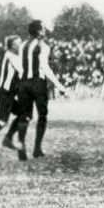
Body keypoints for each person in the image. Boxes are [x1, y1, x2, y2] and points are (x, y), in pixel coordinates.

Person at [14, 20, 67, 161]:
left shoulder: (22, 45)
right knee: (42, 115)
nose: (45, 31)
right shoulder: (43, 46)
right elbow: (45, 67)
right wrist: (59, 85)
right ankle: (37, 149)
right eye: (43, 29)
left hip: (23, 83)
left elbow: (19, 66)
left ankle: (21, 146)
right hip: (38, 83)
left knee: (24, 116)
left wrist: (19, 84)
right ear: (38, 31)